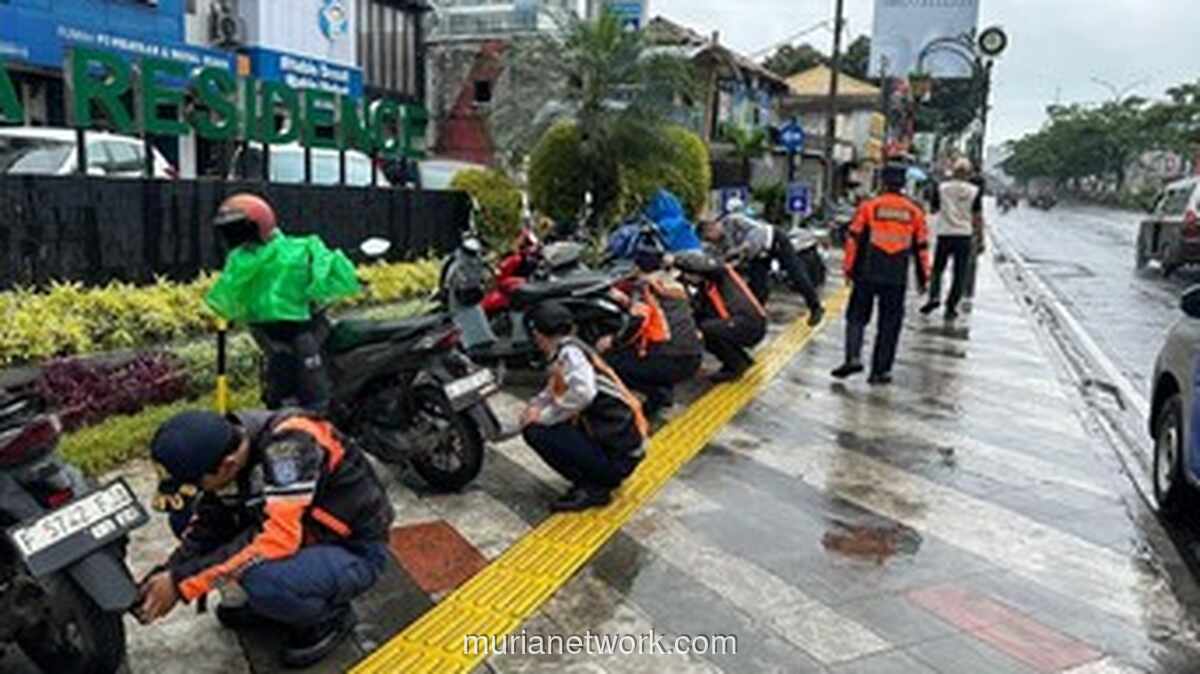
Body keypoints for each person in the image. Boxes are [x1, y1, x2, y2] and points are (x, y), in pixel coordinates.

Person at [136, 409, 394, 669]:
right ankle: (280, 601)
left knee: (262, 579)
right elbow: (209, 524)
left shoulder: (290, 448)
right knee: (185, 520)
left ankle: (328, 619)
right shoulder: (227, 444)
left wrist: (181, 584)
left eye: (198, 483)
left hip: (353, 548)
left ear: (228, 465)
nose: (200, 491)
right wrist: (169, 571)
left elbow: (278, 539)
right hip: (305, 530)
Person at [205, 194, 362, 414]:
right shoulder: (240, 257)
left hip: (303, 330)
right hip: (268, 333)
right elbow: (228, 292)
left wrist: (317, 285)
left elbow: (327, 271)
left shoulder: (299, 249)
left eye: (238, 228)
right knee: (279, 379)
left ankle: (325, 424)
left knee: (314, 388)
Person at [521, 302, 648, 512]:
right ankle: (598, 475)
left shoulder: (571, 357)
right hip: (624, 446)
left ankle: (595, 487)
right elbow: (555, 388)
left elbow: (583, 393)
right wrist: (535, 406)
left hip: (619, 455)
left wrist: (543, 417)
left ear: (538, 334)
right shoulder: (572, 348)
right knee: (540, 422)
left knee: (536, 432)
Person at [832, 163, 932, 385]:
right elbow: (922, 248)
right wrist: (923, 278)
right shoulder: (914, 212)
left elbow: (854, 239)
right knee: (890, 324)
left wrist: (848, 269)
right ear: (903, 184)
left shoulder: (869, 207)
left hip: (866, 272)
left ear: (883, 182)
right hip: (896, 276)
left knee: (856, 317)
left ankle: (853, 356)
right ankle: (880, 371)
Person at [601, 243, 705, 417]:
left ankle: (656, 397)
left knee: (609, 361)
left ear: (636, 266)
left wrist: (612, 341)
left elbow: (636, 322)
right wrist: (628, 302)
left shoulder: (644, 287)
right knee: (660, 347)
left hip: (670, 360)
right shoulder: (674, 284)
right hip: (693, 356)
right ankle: (663, 389)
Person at [700, 199, 825, 326]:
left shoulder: (733, 220)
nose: (713, 241)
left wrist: (744, 248)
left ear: (712, 227)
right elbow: (721, 257)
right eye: (709, 241)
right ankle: (756, 319)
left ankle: (815, 307)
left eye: (710, 237)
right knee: (757, 286)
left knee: (796, 274)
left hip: (773, 239)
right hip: (757, 255)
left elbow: (757, 230)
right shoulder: (719, 244)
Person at [675, 250, 768, 383]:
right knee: (702, 324)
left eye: (688, 274)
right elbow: (697, 311)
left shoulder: (720, 274)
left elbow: (704, 264)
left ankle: (736, 366)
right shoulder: (707, 285)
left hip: (751, 325)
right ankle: (741, 360)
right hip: (744, 323)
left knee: (706, 330)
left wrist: (675, 259)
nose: (687, 278)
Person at [920, 158, 983, 320]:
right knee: (959, 273)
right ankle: (951, 306)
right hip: (964, 235)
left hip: (945, 234)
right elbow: (977, 217)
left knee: (938, 269)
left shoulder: (942, 188)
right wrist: (980, 237)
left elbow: (934, 209)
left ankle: (934, 296)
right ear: (969, 174)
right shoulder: (974, 191)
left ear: (953, 172)